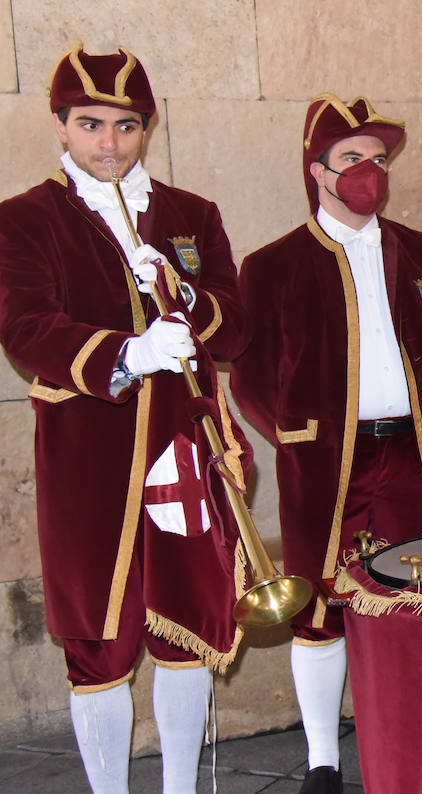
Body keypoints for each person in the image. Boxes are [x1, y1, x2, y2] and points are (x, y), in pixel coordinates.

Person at [0, 43, 249, 792]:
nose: (109, 143)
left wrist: (187, 298)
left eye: (127, 125)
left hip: (182, 454)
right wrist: (127, 353)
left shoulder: (190, 215)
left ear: (148, 127)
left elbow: (235, 329)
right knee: (98, 643)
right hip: (89, 461)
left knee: (184, 626)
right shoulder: (23, 220)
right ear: (60, 125)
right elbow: (25, 327)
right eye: (90, 123)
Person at [230, 93, 422, 794]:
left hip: (414, 456)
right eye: (352, 158)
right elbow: (249, 377)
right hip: (326, 462)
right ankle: (323, 762)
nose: (370, 171)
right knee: (318, 608)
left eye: (379, 158)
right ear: (318, 171)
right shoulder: (271, 266)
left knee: (419, 595)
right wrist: (299, 435)